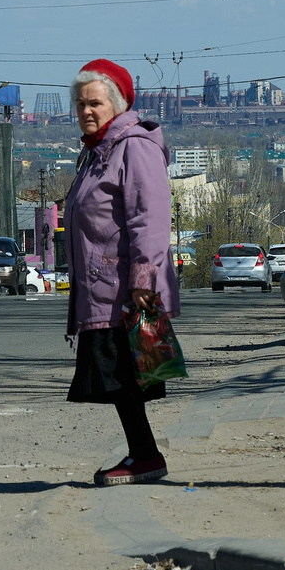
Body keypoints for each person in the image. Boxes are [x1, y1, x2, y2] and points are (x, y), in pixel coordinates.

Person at [61, 58, 177, 486]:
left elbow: (150, 217)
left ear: (119, 103)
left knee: (123, 376)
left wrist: (144, 279)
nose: (86, 111)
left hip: (126, 287)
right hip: (102, 286)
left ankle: (145, 456)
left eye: (95, 103)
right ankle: (144, 454)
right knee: (121, 378)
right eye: (79, 104)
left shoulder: (134, 147)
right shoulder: (96, 153)